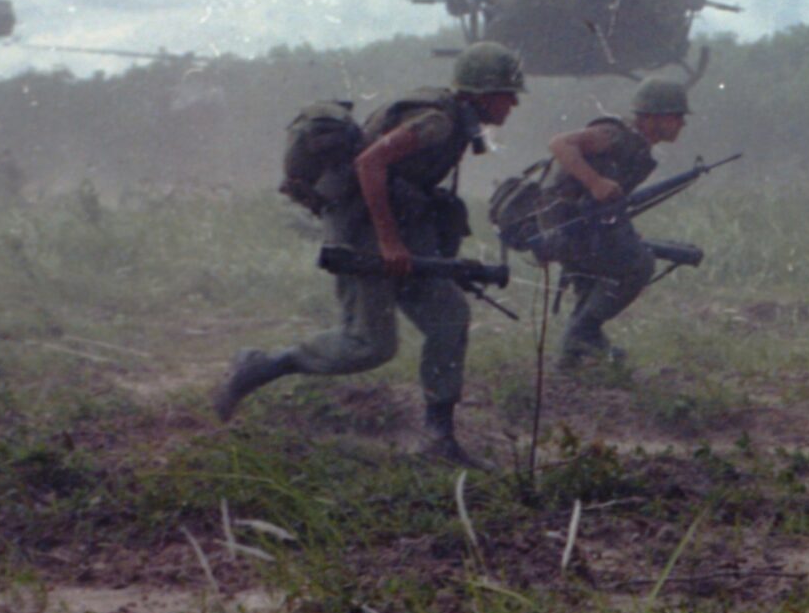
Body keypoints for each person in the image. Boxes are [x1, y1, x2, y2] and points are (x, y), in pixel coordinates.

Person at [216, 40, 525, 464]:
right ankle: (259, 366)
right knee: (369, 345)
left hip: (397, 224)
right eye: (508, 94)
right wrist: (388, 241)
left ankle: (439, 440)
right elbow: (369, 164)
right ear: (483, 93)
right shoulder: (436, 121)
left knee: (449, 316)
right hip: (364, 226)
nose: (513, 104)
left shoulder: (452, 119)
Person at [539, 75, 691, 369]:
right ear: (653, 116)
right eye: (676, 116)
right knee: (640, 263)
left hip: (580, 230)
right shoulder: (613, 134)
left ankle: (571, 357)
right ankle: (582, 335)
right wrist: (594, 182)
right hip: (564, 229)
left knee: (594, 283)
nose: (681, 124)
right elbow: (559, 143)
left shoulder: (638, 148)